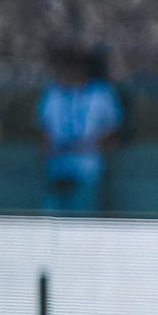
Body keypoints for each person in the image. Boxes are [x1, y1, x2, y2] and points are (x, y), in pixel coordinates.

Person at [38, 45, 123, 214]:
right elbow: (43, 127)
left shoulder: (100, 93)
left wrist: (92, 144)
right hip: (57, 161)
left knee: (82, 211)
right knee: (51, 211)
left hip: (87, 162)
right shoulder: (52, 92)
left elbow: (113, 127)